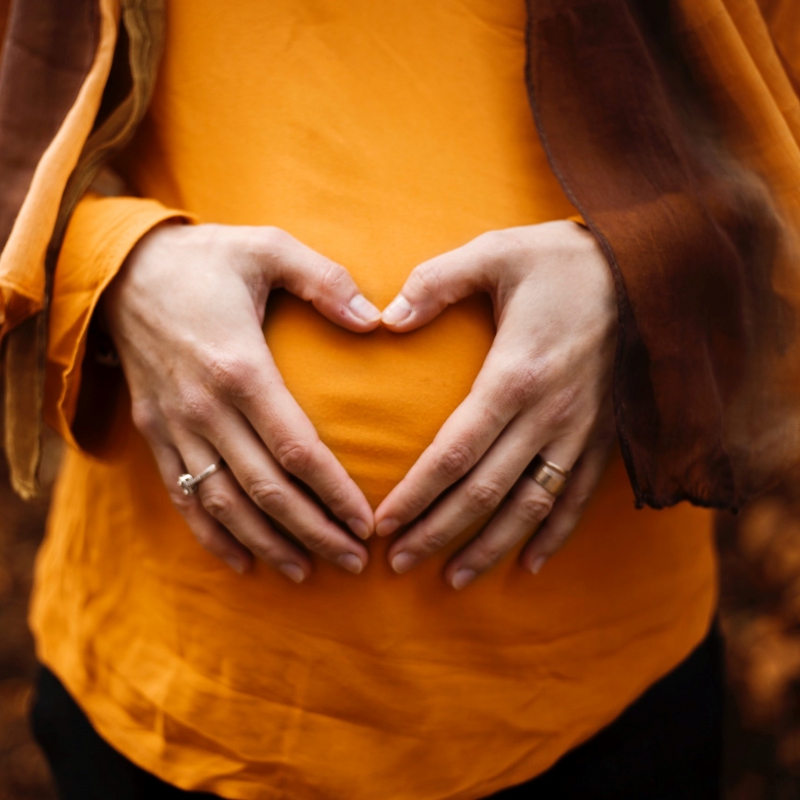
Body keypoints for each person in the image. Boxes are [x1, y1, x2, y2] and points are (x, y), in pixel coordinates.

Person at [1, 0, 799, 798]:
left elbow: (780, 143)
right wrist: (111, 270)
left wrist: (641, 273)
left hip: (593, 698)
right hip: (180, 689)